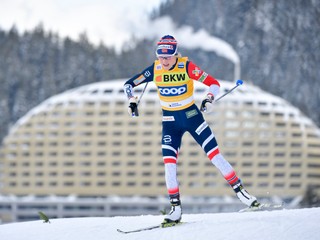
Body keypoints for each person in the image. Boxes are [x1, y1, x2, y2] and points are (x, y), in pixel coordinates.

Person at [123, 35, 260, 224]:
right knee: (169, 164)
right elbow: (128, 84)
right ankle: (175, 209)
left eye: (168, 57)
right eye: (161, 57)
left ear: (176, 54)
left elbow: (214, 83)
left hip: (191, 117)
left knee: (215, 155)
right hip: (170, 121)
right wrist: (132, 100)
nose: (164, 61)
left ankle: (243, 193)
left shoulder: (186, 67)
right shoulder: (154, 70)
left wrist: (209, 98)